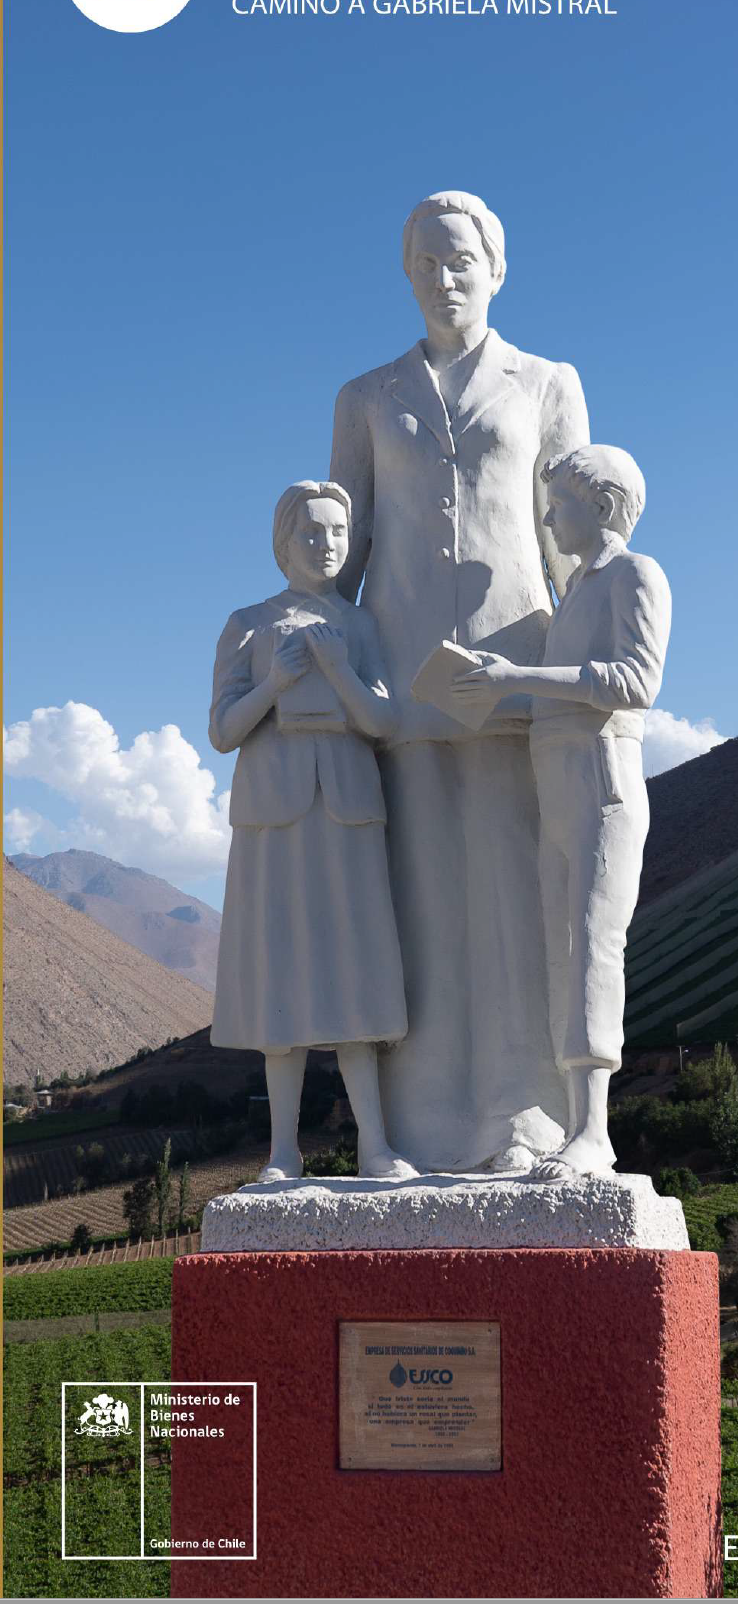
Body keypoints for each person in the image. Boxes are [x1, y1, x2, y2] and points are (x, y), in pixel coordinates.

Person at [331, 190, 590, 1171]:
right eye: (427, 263)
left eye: (461, 261)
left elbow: (574, 538)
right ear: (407, 275)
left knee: (517, 895)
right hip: (398, 675)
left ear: (497, 269)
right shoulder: (365, 396)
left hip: (516, 665)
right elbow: (342, 547)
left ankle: (524, 1116)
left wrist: (595, 659)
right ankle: (421, 1120)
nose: (445, 279)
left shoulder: (547, 382)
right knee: (419, 899)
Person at [454, 445, 671, 1176]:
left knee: (592, 946)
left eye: (561, 506)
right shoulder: (576, 588)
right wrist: (494, 692)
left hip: (601, 778)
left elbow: (634, 681)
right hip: (558, 781)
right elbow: (563, 688)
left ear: (603, 506)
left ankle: (594, 1132)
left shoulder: (635, 575)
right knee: (561, 949)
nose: (549, 520)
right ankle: (578, 1122)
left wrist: (518, 675)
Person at [208, 480, 417, 1183]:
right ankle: (282, 1152)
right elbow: (222, 730)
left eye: (336, 532)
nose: (326, 545)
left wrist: (338, 670)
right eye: (311, 532)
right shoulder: (248, 623)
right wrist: (275, 682)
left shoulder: (360, 626)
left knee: (356, 969)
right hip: (274, 813)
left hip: (348, 808)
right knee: (283, 973)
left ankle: (374, 1144)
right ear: (284, 541)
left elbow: (383, 720)